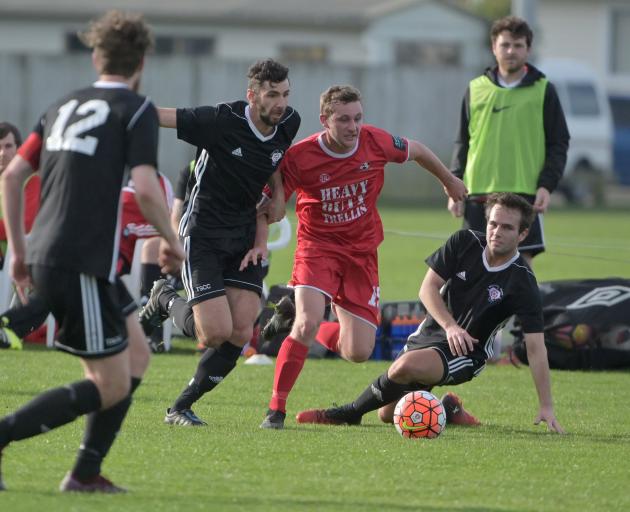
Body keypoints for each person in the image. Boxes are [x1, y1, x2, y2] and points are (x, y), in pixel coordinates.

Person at [0, 10, 184, 493]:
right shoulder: (137, 109)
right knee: (111, 384)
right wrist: (171, 238)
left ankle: (84, 474)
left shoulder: (62, 105)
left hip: (62, 256)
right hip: (78, 260)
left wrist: (19, 251)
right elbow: (146, 188)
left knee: (138, 356)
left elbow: (13, 175)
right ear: (142, 60)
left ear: (95, 56)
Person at [259, 84, 468, 429]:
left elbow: (416, 150)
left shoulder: (376, 141)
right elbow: (272, 200)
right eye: (343, 119)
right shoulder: (301, 156)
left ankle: (299, 314)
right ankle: (275, 410)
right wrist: (272, 213)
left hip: (361, 255)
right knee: (306, 324)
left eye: (357, 118)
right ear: (324, 120)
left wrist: (448, 181)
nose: (353, 127)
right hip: (318, 249)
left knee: (357, 351)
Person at [296, 193, 565, 435]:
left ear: (523, 234)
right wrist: (449, 326)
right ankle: (448, 409)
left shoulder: (523, 282)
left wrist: (547, 406)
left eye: (507, 227)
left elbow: (535, 348)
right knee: (389, 415)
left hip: (466, 353)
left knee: (404, 367)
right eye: (493, 224)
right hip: (431, 334)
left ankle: (348, 413)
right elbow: (427, 288)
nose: (497, 232)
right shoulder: (464, 242)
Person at [139, 58, 301, 426]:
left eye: (286, 94)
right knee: (214, 333)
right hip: (204, 233)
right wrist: (117, 105)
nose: (281, 103)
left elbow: (275, 160)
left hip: (244, 234)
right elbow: (159, 116)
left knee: (241, 330)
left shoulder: (289, 121)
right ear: (252, 95)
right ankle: (163, 298)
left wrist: (278, 195)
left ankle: (180, 407)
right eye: (272, 95)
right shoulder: (220, 120)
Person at [449, 16, 569, 267]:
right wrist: (454, 185)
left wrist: (547, 185)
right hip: (478, 194)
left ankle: (519, 309)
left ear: (528, 49)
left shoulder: (544, 90)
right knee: (473, 266)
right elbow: (463, 141)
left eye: (518, 45)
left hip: (524, 194)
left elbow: (559, 143)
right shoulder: (475, 89)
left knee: (520, 268)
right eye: (505, 45)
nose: (511, 51)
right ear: (494, 47)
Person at [0, 122, 40, 266]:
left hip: (15, 268)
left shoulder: (31, 180)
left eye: (8, 146)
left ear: (19, 149)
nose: (3, 153)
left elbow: (26, 223)